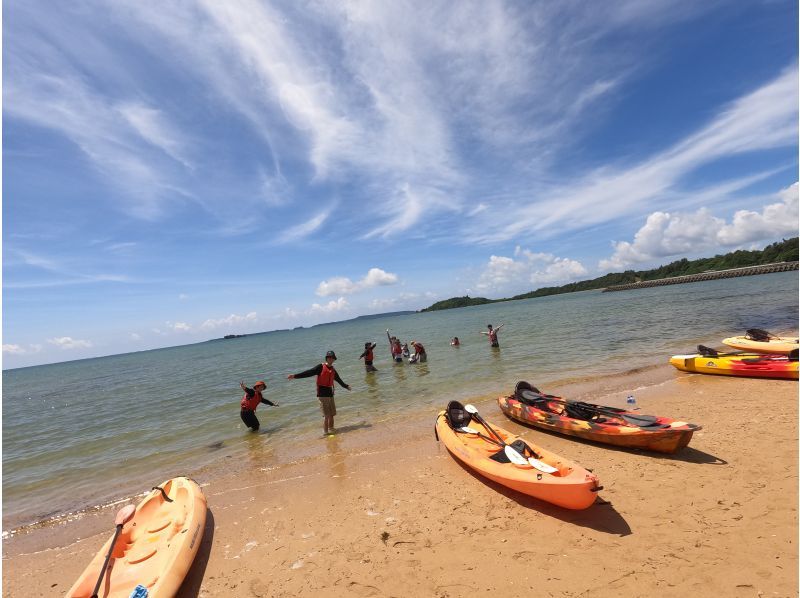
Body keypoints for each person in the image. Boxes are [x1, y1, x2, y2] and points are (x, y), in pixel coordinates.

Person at [287, 350, 351, 435]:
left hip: (330, 394)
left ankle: (332, 429)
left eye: (332, 358)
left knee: (332, 414)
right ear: (326, 358)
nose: (330, 359)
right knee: (326, 416)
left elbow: (338, 380)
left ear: (334, 359)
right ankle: (326, 433)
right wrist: (295, 376)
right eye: (329, 357)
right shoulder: (320, 367)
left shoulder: (333, 369)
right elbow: (309, 372)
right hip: (322, 395)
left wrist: (346, 386)